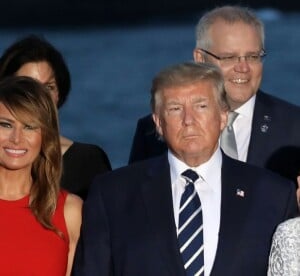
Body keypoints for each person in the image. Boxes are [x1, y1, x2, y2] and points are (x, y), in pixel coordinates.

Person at [72, 62, 297, 276]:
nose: (189, 120)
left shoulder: (273, 194)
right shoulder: (113, 195)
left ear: (222, 116)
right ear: (158, 122)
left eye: (201, 106)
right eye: (175, 108)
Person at [128, 5, 300, 184]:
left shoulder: (294, 127)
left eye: (252, 57)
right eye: (229, 57)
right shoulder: (152, 131)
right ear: (200, 59)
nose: (243, 68)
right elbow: (133, 204)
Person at [0, 35, 112, 199]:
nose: (39, 96)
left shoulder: (87, 161)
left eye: (49, 87)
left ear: (59, 93)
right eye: (27, 86)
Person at [0, 76, 82, 275]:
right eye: (5, 124)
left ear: (45, 135)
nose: (16, 139)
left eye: (29, 127)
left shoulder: (70, 211)